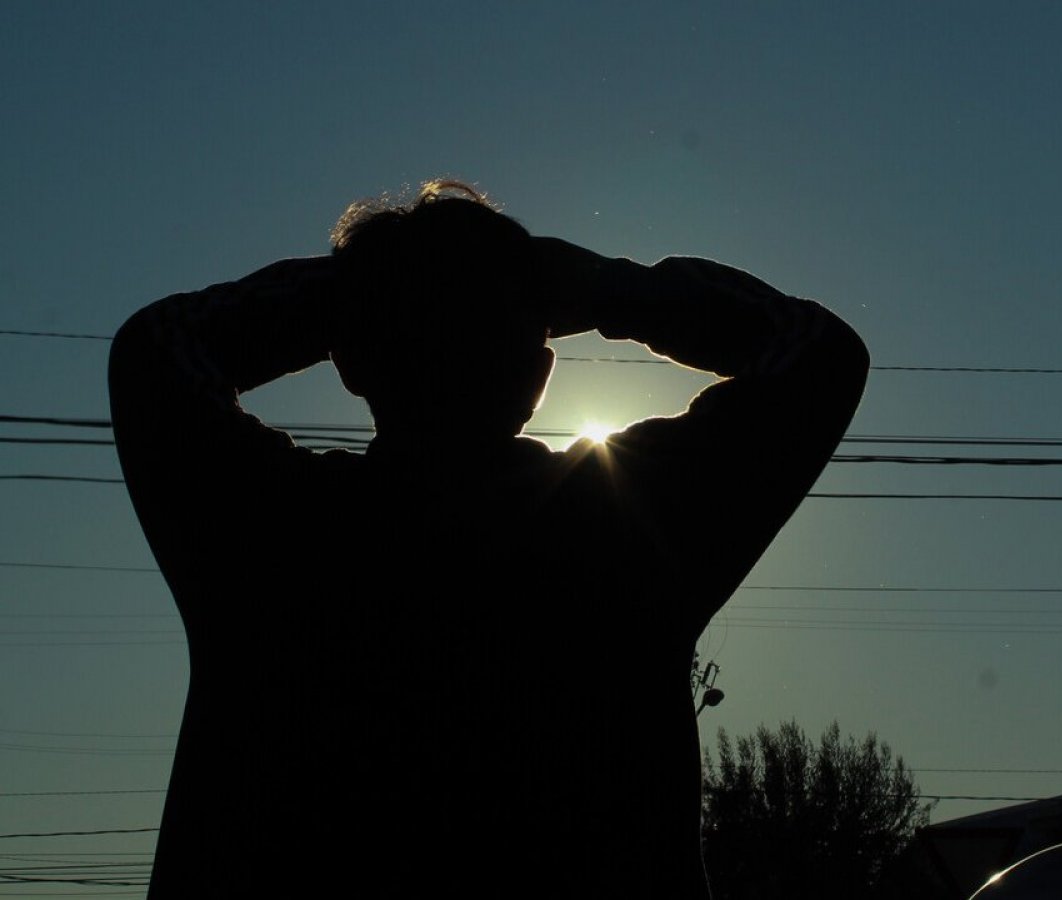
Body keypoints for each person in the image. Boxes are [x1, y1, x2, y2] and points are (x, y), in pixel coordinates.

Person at [109, 181, 869, 898]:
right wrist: (614, 288)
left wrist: (343, 295)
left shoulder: (266, 530)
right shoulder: (629, 525)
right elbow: (820, 353)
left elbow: (154, 350)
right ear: (541, 374)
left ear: (349, 361)